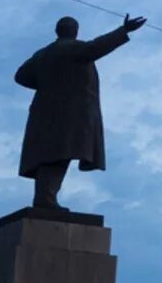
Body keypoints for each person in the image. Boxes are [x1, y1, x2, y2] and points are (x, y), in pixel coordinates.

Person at [14, 14, 146, 210]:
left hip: (44, 112)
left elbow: (21, 76)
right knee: (59, 154)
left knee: (49, 156)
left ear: (57, 31)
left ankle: (45, 197)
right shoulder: (73, 49)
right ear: (75, 31)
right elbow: (98, 46)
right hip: (69, 113)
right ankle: (46, 199)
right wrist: (123, 30)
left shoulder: (42, 55)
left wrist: (48, 85)